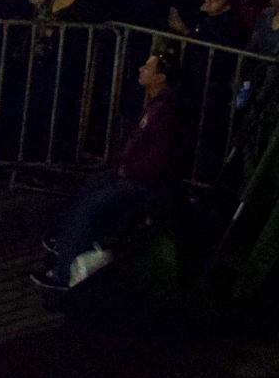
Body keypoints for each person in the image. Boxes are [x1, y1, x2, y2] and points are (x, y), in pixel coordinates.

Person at [33, 48, 179, 289]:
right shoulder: (155, 105)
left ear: (161, 77)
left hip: (142, 183)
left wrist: (128, 169)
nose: (141, 69)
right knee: (84, 196)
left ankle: (63, 275)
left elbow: (158, 158)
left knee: (88, 211)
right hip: (131, 176)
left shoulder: (165, 111)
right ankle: (60, 244)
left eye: (148, 67)